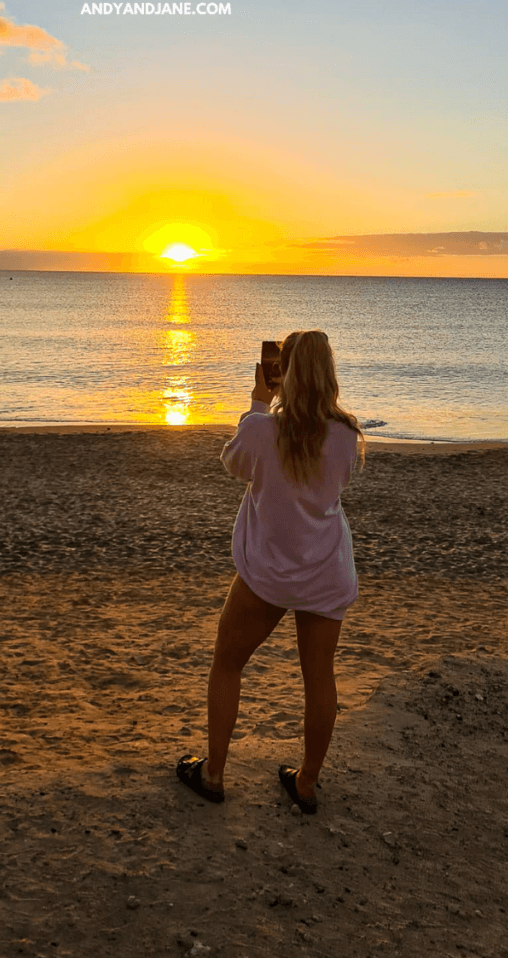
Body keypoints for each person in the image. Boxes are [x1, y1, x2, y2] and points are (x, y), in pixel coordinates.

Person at [177, 330, 365, 813]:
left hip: (268, 574)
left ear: (286, 372)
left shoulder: (263, 430)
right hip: (324, 570)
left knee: (227, 663)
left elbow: (234, 464)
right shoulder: (346, 436)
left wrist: (259, 405)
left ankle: (214, 773)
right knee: (319, 678)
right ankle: (306, 783)